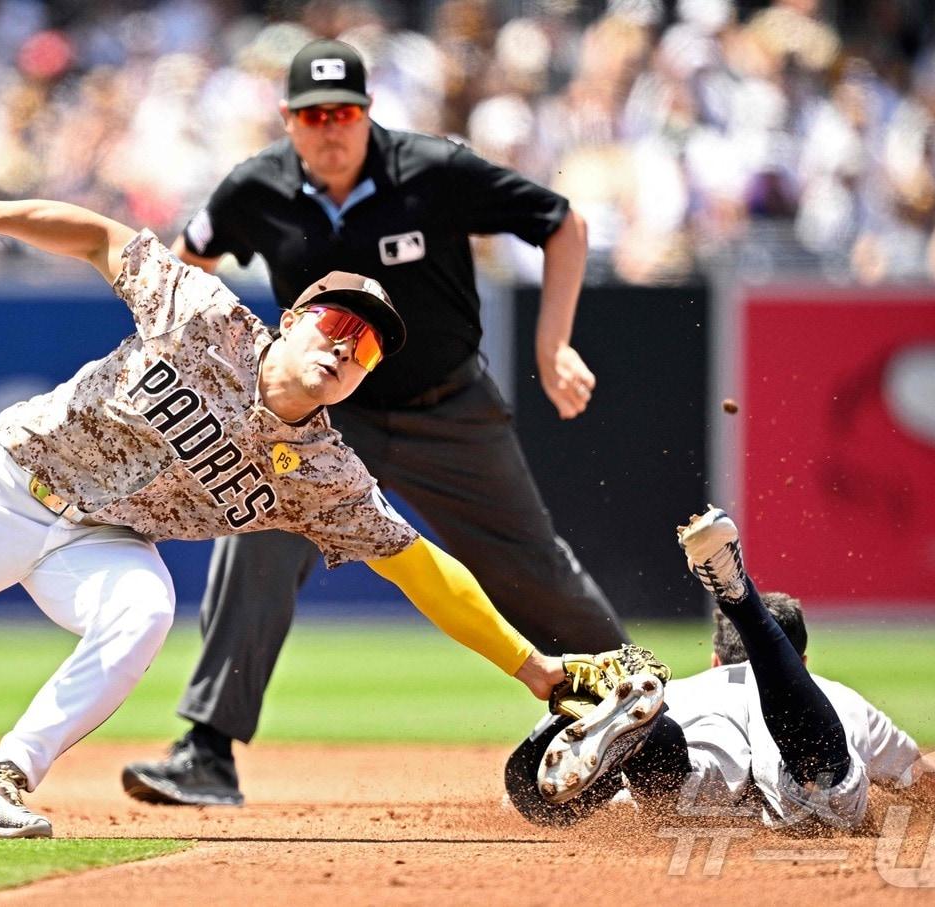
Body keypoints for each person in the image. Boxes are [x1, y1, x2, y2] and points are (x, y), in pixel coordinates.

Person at [0, 185, 609, 839]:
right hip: (12, 485)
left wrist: (534, 671)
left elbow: (422, 566)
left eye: (365, 346)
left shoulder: (322, 473)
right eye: (335, 323)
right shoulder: (202, 314)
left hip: (99, 539)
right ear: (291, 319)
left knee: (145, 609)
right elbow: (98, 236)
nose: (346, 346)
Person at [122, 38, 629, 808]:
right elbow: (185, 262)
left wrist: (552, 342)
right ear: (288, 121)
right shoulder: (257, 187)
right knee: (257, 528)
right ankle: (207, 751)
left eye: (347, 112)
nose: (332, 128)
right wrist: (212, 364)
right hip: (326, 420)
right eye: (314, 114)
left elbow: (562, 222)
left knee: (535, 573)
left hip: (447, 407)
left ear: (368, 115)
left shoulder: (432, 170)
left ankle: (653, 722)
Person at [506, 507, 933, 830]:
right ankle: (739, 597)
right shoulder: (837, 695)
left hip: (701, 766)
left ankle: (649, 740)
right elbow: (923, 787)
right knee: (823, 784)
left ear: (715, 659)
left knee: (674, 787)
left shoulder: (684, 691)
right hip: (804, 778)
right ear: (801, 666)